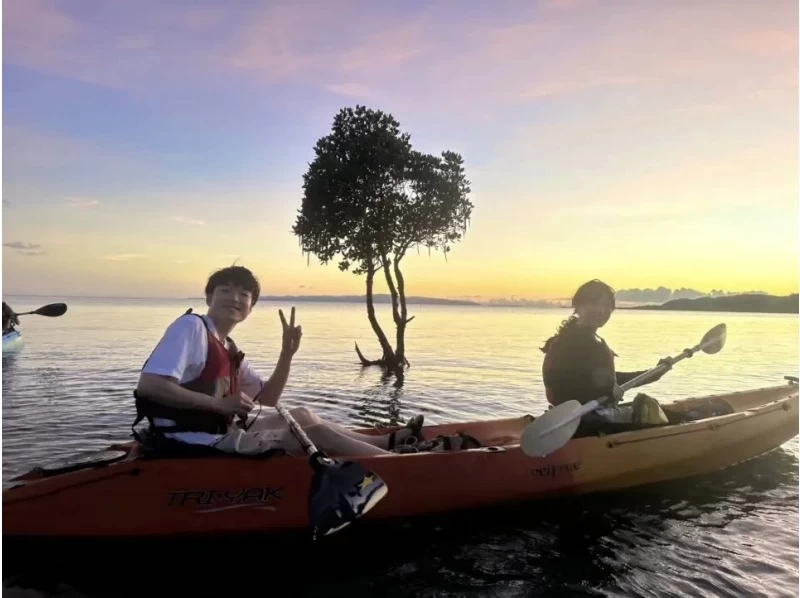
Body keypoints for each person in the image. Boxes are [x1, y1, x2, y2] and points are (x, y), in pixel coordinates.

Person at [133, 265, 425, 458]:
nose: (234, 298)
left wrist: (286, 355)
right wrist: (218, 405)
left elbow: (269, 398)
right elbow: (150, 386)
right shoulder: (191, 328)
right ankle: (400, 464)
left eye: (244, 294)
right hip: (188, 441)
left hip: (217, 431)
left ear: (251, 306)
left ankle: (388, 443)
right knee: (318, 434)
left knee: (303, 415)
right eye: (225, 290)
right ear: (209, 296)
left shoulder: (228, 347)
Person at [540, 279, 673, 427]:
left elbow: (606, 379)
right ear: (578, 306)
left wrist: (654, 372)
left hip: (583, 416)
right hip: (584, 420)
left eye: (606, 306)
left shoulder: (582, 337)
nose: (601, 310)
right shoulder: (573, 342)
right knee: (649, 408)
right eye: (594, 303)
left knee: (650, 407)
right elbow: (558, 381)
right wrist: (604, 391)